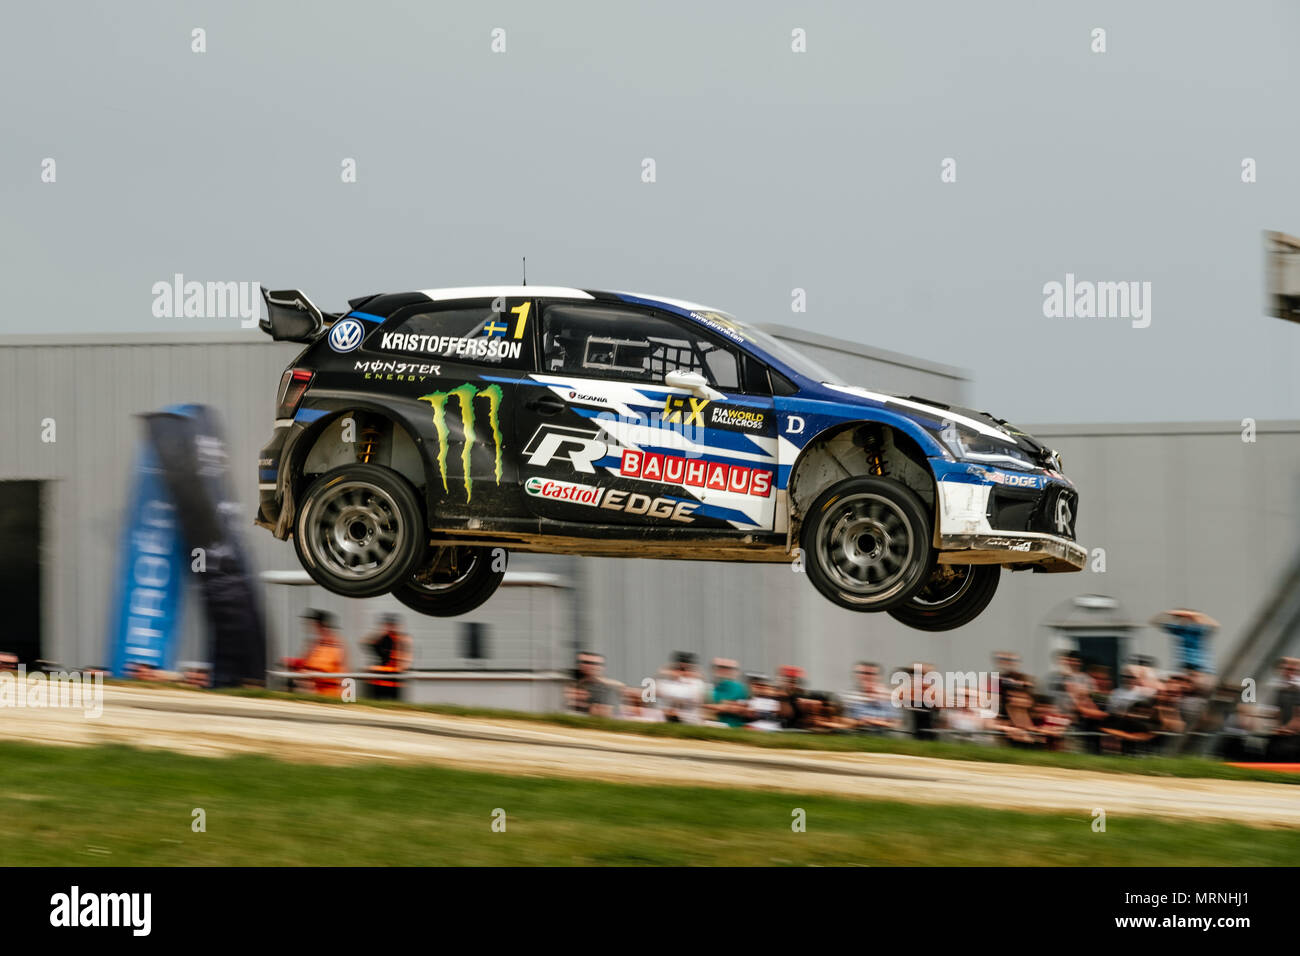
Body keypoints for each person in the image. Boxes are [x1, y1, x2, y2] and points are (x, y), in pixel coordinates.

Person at [296, 609, 347, 695]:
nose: (310, 628)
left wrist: (348, 699)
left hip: (331, 695)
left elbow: (343, 673)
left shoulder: (337, 645)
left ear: (321, 626)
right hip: (315, 695)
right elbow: (303, 668)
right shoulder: (315, 645)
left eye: (313, 624)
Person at [364, 613, 412, 701]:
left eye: (392, 625)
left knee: (394, 706)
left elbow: (406, 658)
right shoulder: (382, 639)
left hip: (395, 680)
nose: (390, 627)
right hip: (379, 680)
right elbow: (366, 643)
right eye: (387, 625)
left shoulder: (402, 639)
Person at [843, 662, 901, 733]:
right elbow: (844, 721)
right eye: (864, 673)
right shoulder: (850, 697)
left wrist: (874, 721)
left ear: (879, 677)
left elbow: (897, 723)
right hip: (858, 733)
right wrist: (860, 722)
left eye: (871, 674)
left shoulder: (888, 697)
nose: (867, 677)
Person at [568, 651, 619, 717]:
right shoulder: (567, 679)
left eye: (595, 664)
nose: (590, 666)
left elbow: (604, 715)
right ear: (578, 664)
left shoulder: (606, 689)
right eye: (585, 662)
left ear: (602, 667)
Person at [706, 658, 749, 728]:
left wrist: (724, 707)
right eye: (720, 668)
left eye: (727, 668)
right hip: (711, 725)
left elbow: (744, 709)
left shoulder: (740, 688)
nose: (723, 671)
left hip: (732, 726)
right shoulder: (709, 687)